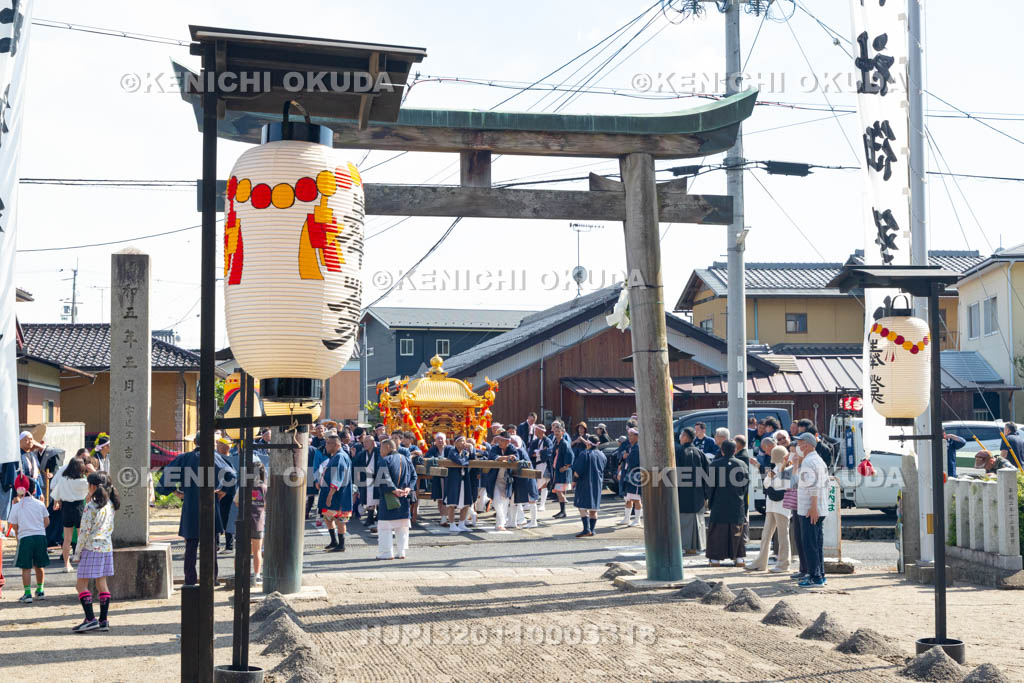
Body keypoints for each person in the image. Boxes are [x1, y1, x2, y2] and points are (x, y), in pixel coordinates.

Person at [155, 432, 235, 585]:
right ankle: (212, 579)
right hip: (210, 504)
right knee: (210, 545)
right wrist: (224, 491)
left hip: (191, 504)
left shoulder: (184, 458)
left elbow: (166, 475)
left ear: (194, 443)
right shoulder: (215, 457)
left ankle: (190, 580)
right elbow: (231, 475)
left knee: (191, 545)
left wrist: (175, 492)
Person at [72, 472, 120, 632]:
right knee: (101, 583)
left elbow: (84, 532)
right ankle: (103, 620)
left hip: (91, 547)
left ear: (92, 486)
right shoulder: (110, 504)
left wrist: (77, 553)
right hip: (106, 547)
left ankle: (90, 618)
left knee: (81, 585)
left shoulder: (91, 507)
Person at [747, 446, 791, 573]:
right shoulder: (776, 469)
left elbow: (778, 486)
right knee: (766, 534)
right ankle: (761, 562)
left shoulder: (787, 471)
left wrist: (771, 481)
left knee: (783, 535)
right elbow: (767, 483)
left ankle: (784, 564)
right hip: (771, 505)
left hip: (781, 506)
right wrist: (771, 481)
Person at [705, 440, 749, 567]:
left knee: (717, 532)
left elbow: (710, 486)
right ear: (735, 450)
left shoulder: (714, 465)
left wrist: (710, 500)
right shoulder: (742, 464)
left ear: (722, 450)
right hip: (737, 502)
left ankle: (715, 560)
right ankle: (739, 559)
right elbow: (745, 486)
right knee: (737, 531)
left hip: (719, 502)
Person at [794, 432, 829, 587]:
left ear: (806, 445)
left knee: (810, 543)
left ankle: (814, 577)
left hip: (810, 509)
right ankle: (820, 574)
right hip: (818, 507)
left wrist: (813, 507)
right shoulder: (818, 460)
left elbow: (813, 486)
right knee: (817, 543)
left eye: (800, 443)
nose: (798, 446)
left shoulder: (809, 462)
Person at [9, 478, 49, 603]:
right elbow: (47, 521)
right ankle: (40, 590)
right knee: (39, 565)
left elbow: (14, 525)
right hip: (40, 536)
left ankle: (27, 593)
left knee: (26, 567)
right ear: (35, 489)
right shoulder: (40, 504)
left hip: (25, 537)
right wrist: (38, 528)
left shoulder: (17, 506)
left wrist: (21, 530)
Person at [375, 438, 416, 560]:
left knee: (385, 526)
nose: (380, 451)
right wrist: (409, 488)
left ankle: (386, 553)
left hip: (389, 496)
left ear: (388, 447)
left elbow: (383, 478)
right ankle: (401, 552)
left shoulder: (385, 460)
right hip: (404, 496)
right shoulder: (406, 459)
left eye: (381, 448)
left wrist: (393, 489)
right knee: (402, 527)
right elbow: (414, 476)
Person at [51, 456, 89, 573]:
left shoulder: (63, 480)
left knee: (66, 540)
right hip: (80, 508)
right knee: (82, 538)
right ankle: (84, 563)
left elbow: (56, 496)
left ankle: (67, 564)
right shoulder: (84, 482)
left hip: (66, 509)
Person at [676, 427, 708, 555]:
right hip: (698, 494)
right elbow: (709, 473)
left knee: (683, 522)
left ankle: (685, 546)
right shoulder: (700, 453)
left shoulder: (679, 452)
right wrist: (706, 493)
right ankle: (696, 546)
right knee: (698, 521)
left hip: (682, 493)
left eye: (681, 435)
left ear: (684, 437)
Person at [319, 433, 353, 552]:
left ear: (337, 445)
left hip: (338, 494)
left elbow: (337, 477)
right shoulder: (335, 456)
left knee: (340, 519)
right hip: (330, 491)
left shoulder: (340, 457)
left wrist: (330, 495)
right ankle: (334, 541)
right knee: (327, 517)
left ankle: (341, 544)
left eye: (329, 444)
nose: (326, 446)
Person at [572, 435, 607, 537]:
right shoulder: (602, 455)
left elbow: (577, 472)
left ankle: (586, 529)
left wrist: (574, 481)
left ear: (588, 444)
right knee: (594, 509)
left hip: (584, 483)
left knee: (581, 507)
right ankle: (592, 530)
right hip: (598, 484)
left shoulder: (584, 454)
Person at [444, 437, 477, 533]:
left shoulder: (464, 452)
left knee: (466, 502)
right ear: (455, 443)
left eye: (464, 441)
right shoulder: (452, 452)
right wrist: (467, 460)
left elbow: (473, 459)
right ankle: (452, 524)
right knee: (452, 503)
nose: (463, 443)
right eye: (461, 441)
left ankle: (462, 524)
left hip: (464, 479)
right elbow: (460, 462)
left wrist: (472, 449)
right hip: (453, 480)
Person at [507, 435, 539, 529]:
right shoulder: (514, 451)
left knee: (532, 500)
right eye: (511, 442)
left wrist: (515, 462)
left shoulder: (520, 450)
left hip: (527, 478)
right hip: (519, 479)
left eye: (514, 442)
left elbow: (526, 463)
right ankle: (512, 522)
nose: (512, 444)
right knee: (513, 500)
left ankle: (533, 521)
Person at [425, 433, 457, 525]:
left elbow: (453, 458)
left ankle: (445, 517)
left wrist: (441, 460)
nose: (440, 441)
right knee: (440, 497)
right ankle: (443, 517)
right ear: (435, 441)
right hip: (437, 476)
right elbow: (427, 457)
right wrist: (437, 459)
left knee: (446, 497)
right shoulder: (433, 449)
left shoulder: (450, 448)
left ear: (445, 440)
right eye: (438, 439)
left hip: (449, 476)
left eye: (441, 439)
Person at [245, 461, 268, 583]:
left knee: (242, 550)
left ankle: (241, 574)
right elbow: (267, 504)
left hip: (244, 521)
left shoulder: (244, 486)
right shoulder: (264, 488)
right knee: (257, 550)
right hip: (258, 521)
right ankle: (257, 575)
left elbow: (237, 501)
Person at [549, 422, 574, 519]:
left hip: (563, 471)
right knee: (559, 492)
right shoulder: (557, 442)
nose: (556, 433)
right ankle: (562, 511)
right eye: (555, 431)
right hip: (557, 470)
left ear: (563, 432)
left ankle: (563, 512)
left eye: (558, 431)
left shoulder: (564, 443)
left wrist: (566, 466)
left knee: (559, 491)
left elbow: (570, 455)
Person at [619, 428, 643, 527]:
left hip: (636, 475)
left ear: (637, 436)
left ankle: (637, 520)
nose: (630, 437)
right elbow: (623, 457)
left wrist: (626, 457)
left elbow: (633, 461)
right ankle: (626, 518)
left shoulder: (637, 447)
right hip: (628, 474)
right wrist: (625, 457)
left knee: (636, 499)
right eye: (629, 435)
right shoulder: (630, 446)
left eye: (632, 435)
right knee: (628, 498)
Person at [528, 424, 553, 511]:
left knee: (544, 483)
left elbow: (548, 452)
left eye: (537, 431)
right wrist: (540, 452)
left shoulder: (548, 441)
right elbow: (531, 452)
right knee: (535, 483)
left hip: (545, 464)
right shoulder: (535, 441)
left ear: (542, 432)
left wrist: (538, 452)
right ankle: (532, 501)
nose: (536, 433)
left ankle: (542, 504)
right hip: (536, 464)